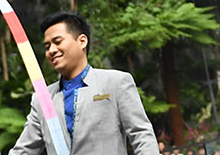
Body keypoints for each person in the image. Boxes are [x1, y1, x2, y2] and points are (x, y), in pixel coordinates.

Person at [9, 11, 158, 154]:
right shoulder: (42, 99)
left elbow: (141, 135)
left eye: (57, 42)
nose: (51, 50)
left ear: (82, 41)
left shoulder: (116, 83)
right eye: (47, 47)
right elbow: (23, 151)